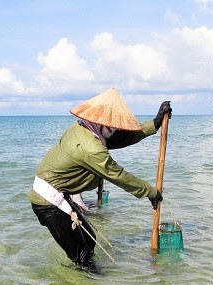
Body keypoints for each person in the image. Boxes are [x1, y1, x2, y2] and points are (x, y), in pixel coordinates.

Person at [29, 88, 172, 269]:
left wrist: (155, 123)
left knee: (90, 241)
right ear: (99, 122)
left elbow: (122, 138)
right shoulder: (91, 148)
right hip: (48, 201)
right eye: (111, 126)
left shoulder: (85, 128)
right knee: (81, 255)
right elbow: (118, 175)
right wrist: (150, 193)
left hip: (58, 194)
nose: (114, 130)